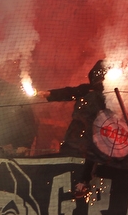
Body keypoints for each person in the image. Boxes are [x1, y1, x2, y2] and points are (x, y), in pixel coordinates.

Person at [39, 59, 108, 198]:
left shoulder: (111, 92)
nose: (98, 77)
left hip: (99, 130)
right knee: (69, 150)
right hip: (79, 127)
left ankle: (83, 183)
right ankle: (64, 181)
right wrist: (50, 94)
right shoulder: (86, 89)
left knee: (92, 152)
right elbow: (70, 91)